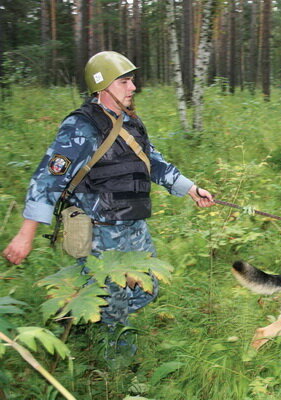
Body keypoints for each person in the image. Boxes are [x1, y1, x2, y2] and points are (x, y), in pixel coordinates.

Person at [2, 51, 215, 333]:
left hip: (135, 226)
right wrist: (26, 233)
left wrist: (190, 189)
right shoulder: (81, 127)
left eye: (132, 81)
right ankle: (114, 363)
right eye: (124, 82)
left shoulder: (131, 123)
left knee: (146, 288)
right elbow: (47, 179)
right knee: (114, 305)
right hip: (100, 232)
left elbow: (152, 162)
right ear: (102, 87)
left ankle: (78, 312)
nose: (133, 87)